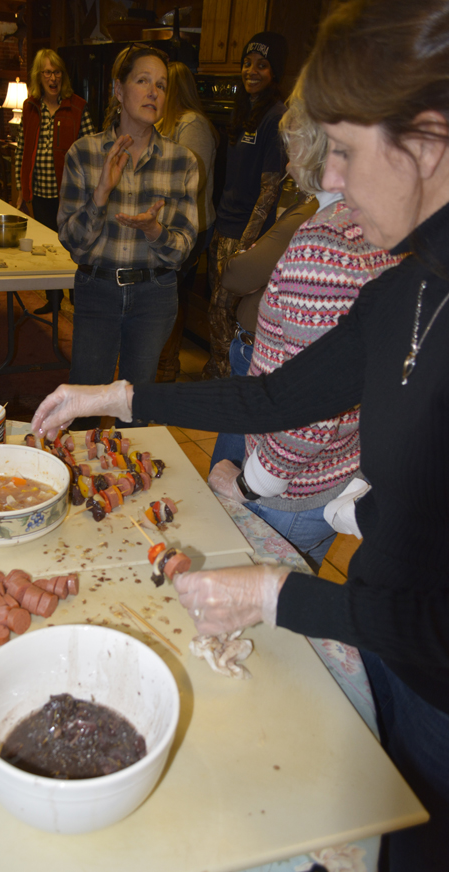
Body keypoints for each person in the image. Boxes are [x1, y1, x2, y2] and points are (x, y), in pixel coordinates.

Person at [31, 0, 449, 872]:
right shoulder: (407, 289)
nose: (326, 181)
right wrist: (119, 394)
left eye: (342, 148)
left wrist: (273, 593)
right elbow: (271, 394)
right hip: (387, 656)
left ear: (427, 139)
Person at [208, 84, 399, 570]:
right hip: (335, 473)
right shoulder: (374, 225)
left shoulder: (323, 243)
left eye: (291, 136)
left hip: (290, 493)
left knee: (258, 616)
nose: (287, 151)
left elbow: (309, 408)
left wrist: (251, 482)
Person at [57, 44, 198, 427]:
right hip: (97, 290)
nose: (154, 92)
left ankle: (127, 484)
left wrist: (155, 230)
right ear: (119, 90)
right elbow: (73, 244)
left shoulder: (182, 161)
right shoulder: (84, 154)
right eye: (143, 81)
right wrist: (100, 194)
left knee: (137, 410)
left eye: (162, 85)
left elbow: (181, 249)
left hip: (154, 294)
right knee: (84, 407)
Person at [202, 31, 288, 380]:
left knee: (223, 312)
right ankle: (217, 375)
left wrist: (245, 247)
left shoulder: (276, 118)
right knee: (217, 312)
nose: (251, 71)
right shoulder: (244, 111)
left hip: (242, 236)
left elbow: (269, 191)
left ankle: (226, 384)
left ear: (274, 73)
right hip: (224, 228)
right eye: (247, 63)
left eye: (262, 66)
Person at [15, 48, 94, 315]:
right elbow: (22, 149)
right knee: (46, 248)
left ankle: (77, 296)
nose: (53, 77)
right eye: (47, 72)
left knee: (72, 246)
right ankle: (53, 298)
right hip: (38, 192)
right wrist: (20, 189)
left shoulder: (77, 106)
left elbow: (90, 150)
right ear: (39, 76)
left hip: (69, 195)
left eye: (57, 71)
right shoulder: (30, 107)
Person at [156, 60, 218, 381]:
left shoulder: (192, 124)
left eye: (160, 85)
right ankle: (159, 363)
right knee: (162, 294)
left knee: (170, 297)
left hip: (190, 228)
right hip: (167, 226)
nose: (153, 92)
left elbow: (191, 182)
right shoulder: (166, 123)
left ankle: (167, 367)